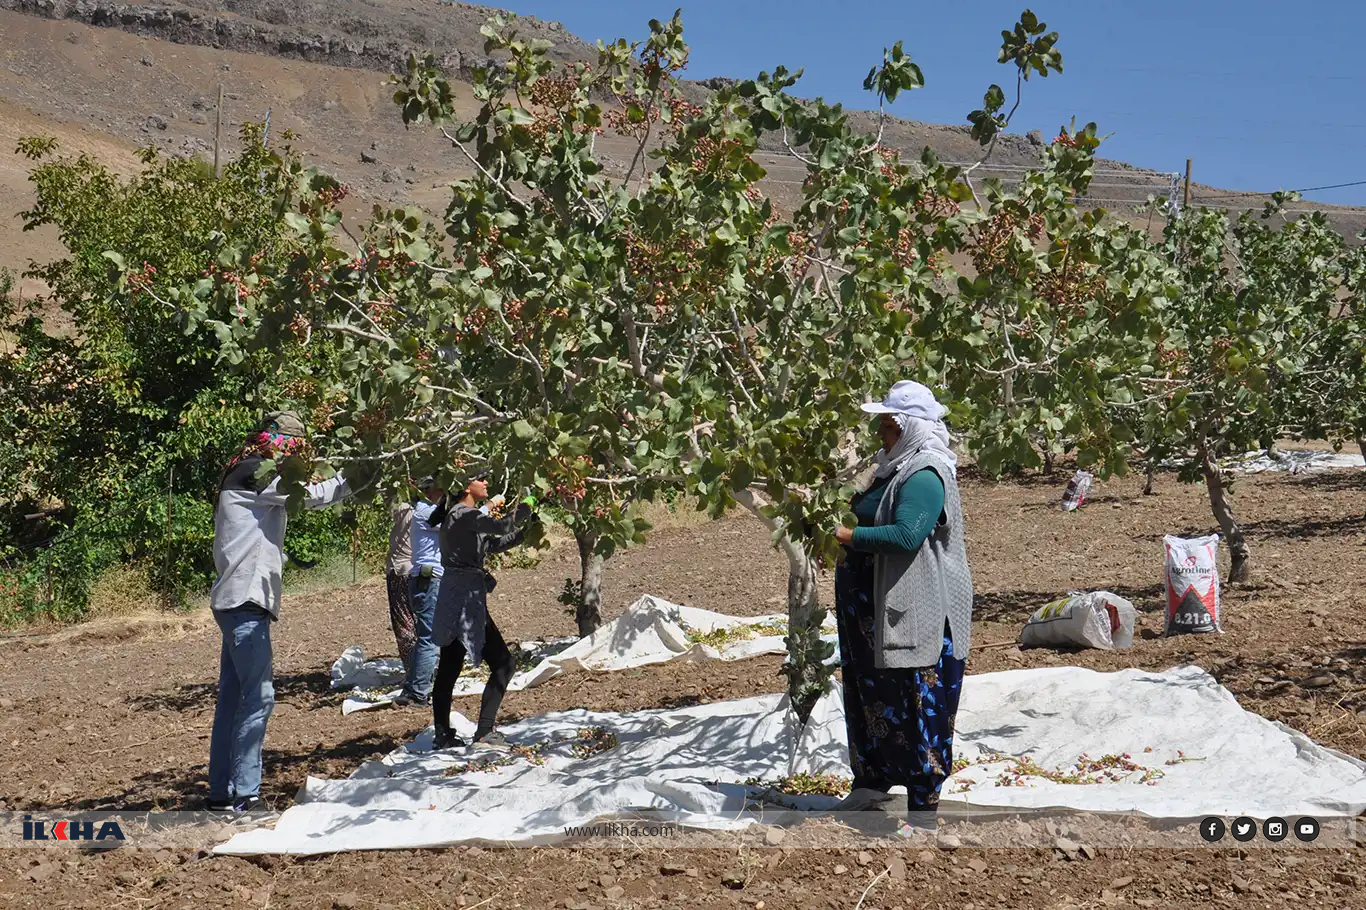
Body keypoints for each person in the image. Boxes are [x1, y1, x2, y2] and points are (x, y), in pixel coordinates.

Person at [829, 380, 974, 834]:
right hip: (872, 613)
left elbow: (908, 535)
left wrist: (848, 537)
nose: (879, 433)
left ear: (907, 427)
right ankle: (872, 784)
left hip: (916, 611)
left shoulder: (926, 473)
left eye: (886, 425)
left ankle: (922, 808)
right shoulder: (891, 468)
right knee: (872, 695)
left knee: (916, 701)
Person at [208, 411, 355, 813]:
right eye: (295, 445)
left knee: (232, 701)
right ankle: (246, 797)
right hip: (246, 601)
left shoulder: (241, 469)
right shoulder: (257, 472)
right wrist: (356, 474)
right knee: (259, 699)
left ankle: (220, 794)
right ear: (279, 442)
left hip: (234, 600)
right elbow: (310, 495)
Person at [425, 472, 537, 749]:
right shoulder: (463, 514)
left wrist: (529, 528)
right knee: (504, 663)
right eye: (481, 479)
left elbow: (496, 542)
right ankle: (484, 732)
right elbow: (500, 529)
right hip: (466, 601)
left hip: (455, 598)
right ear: (465, 485)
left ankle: (443, 734)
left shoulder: (459, 517)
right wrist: (528, 505)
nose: (487, 483)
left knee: (449, 667)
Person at [397, 477, 445, 706]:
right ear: (430, 490)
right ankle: (418, 693)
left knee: (424, 637)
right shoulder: (426, 512)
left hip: (424, 579)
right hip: (431, 579)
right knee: (429, 639)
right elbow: (456, 524)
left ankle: (412, 689)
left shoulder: (423, 509)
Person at [384, 492, 417, 678]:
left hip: (401, 571)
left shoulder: (406, 509)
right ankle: (422, 669)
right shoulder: (433, 510)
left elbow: (388, 496)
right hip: (418, 572)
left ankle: (414, 672)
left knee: (405, 624)